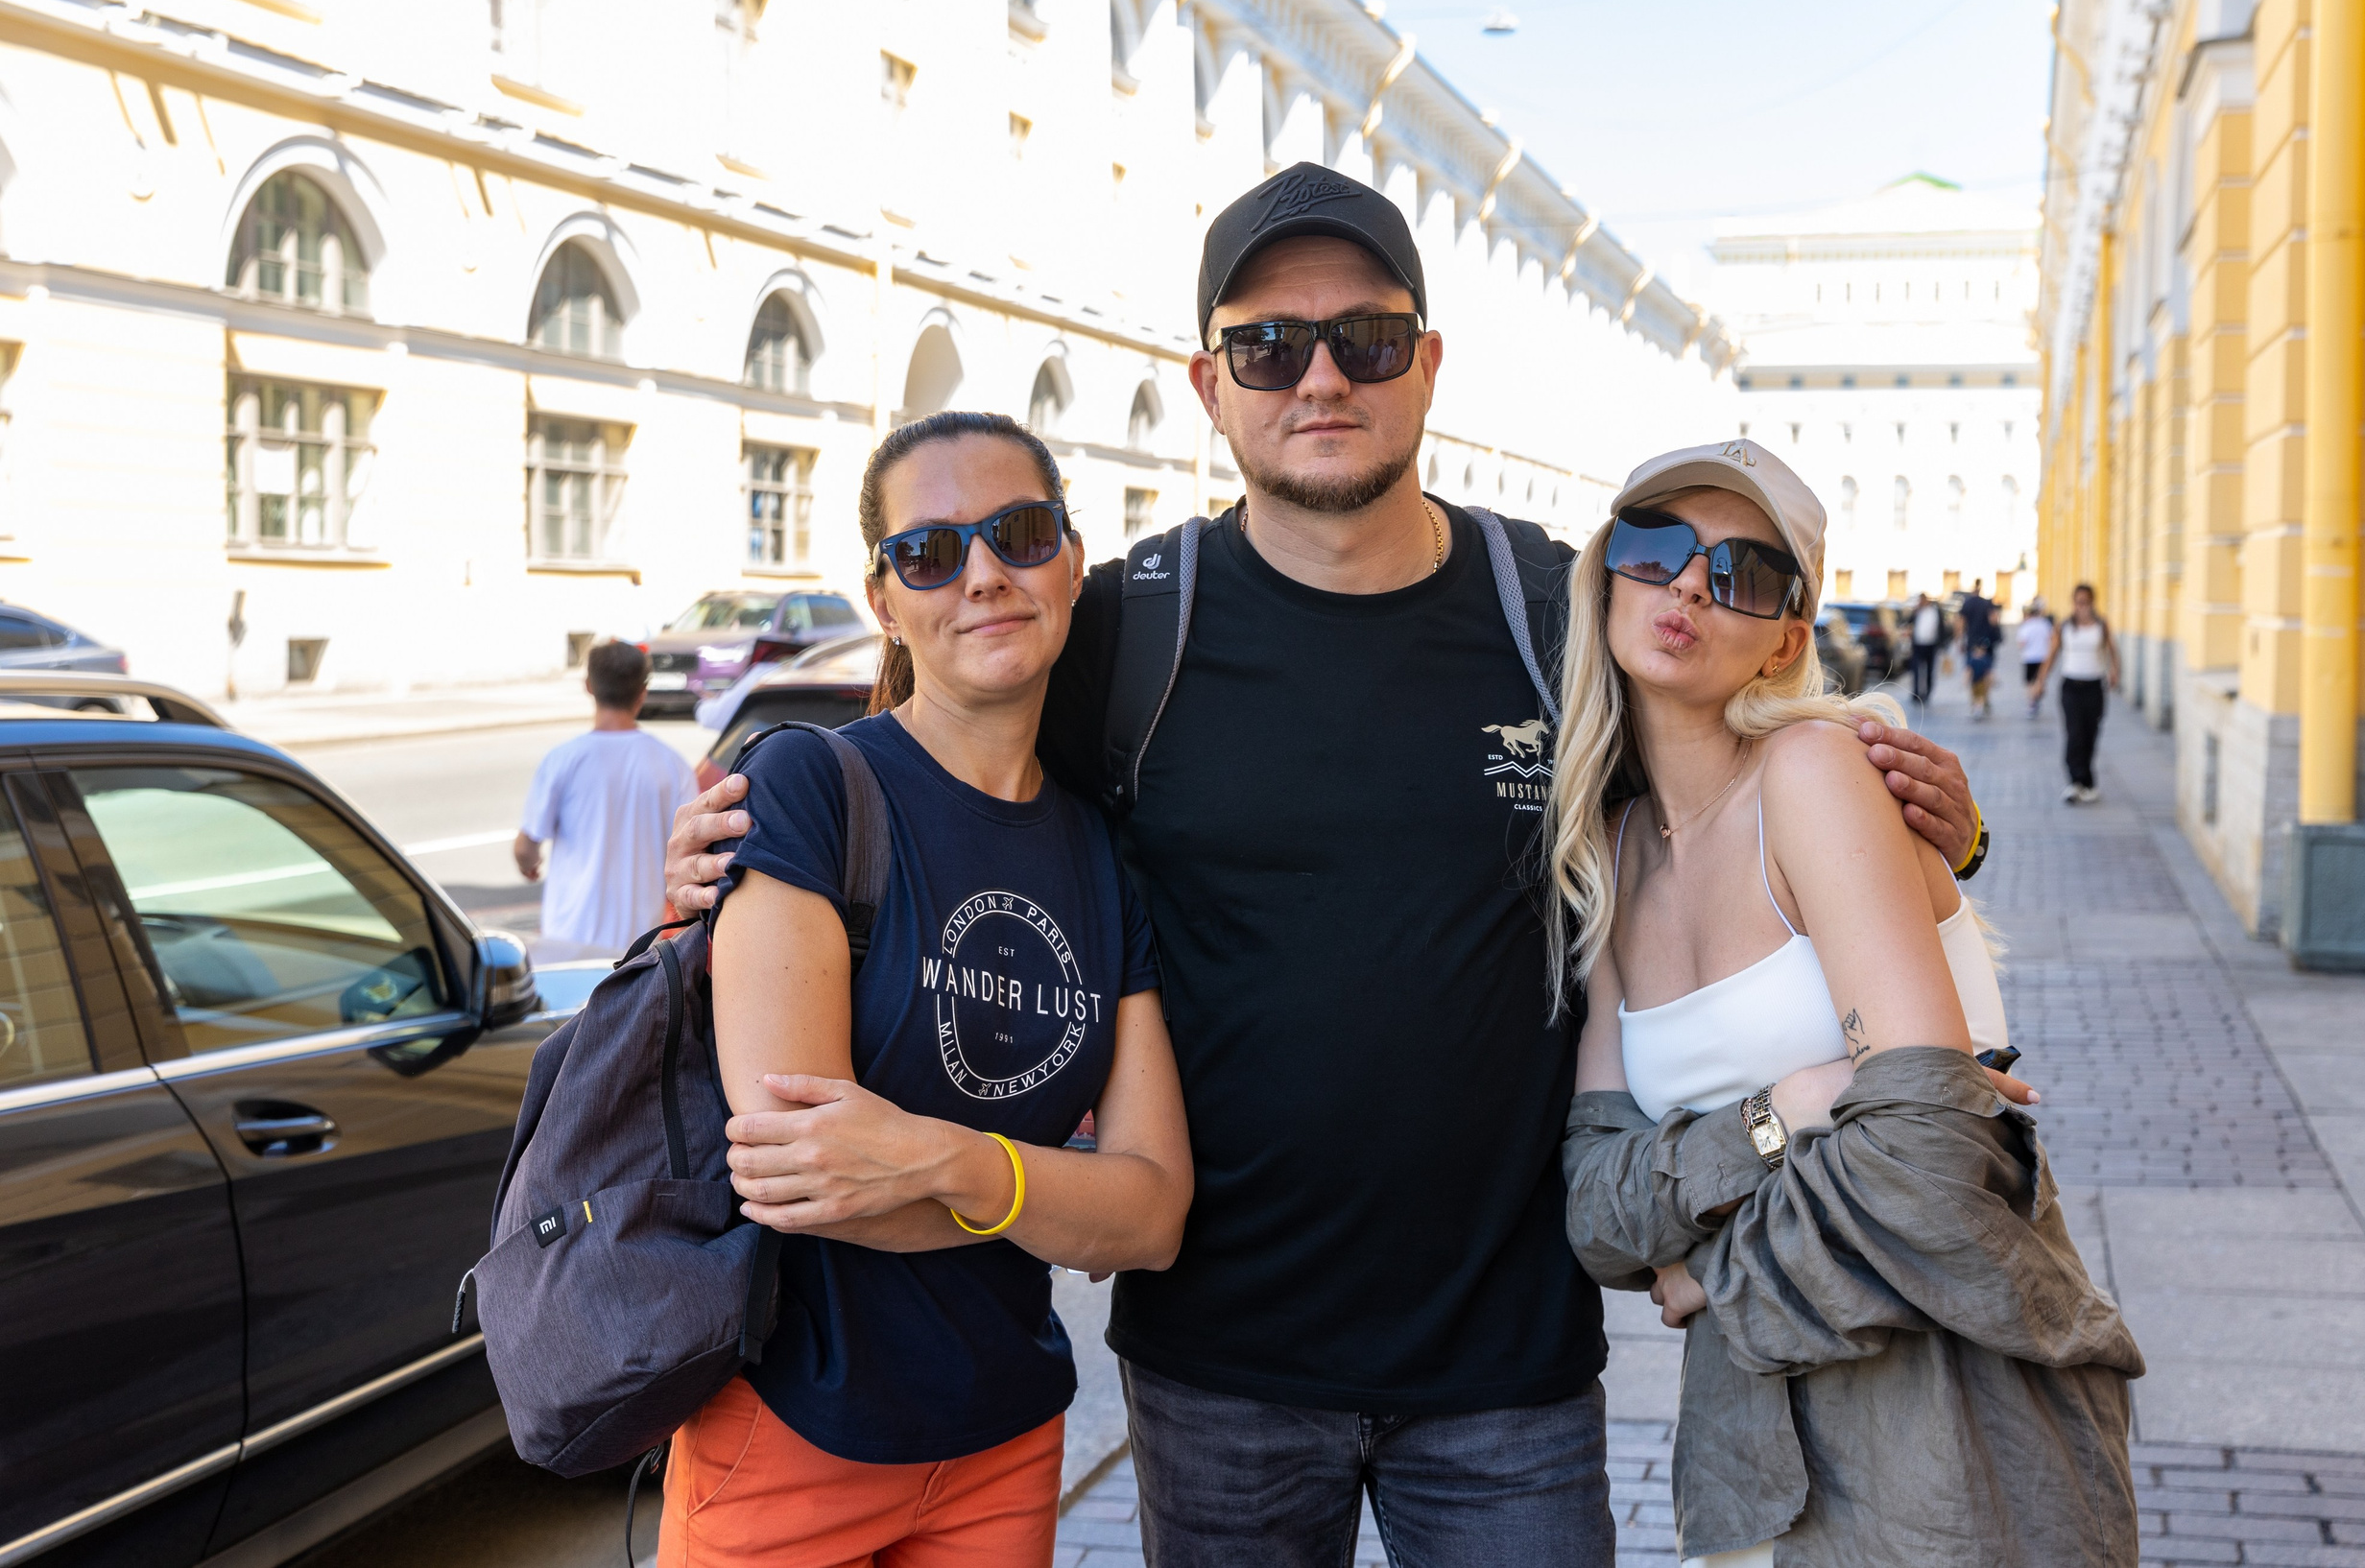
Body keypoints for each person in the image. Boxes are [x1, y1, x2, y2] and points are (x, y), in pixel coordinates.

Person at [663, 166, 1986, 1565]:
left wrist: (1945, 834)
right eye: (1268, 345)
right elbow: (936, 756)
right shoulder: (1126, 628)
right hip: (1219, 1368)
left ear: (1424, 366)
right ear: (1208, 381)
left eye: (1363, 339)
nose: (1318, 378)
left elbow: (1742, 781)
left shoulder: (1550, 605)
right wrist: (729, 852)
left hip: (1507, 1367)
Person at [1550, 443, 2141, 1566]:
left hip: (1947, 1445)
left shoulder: (1814, 774)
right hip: (1747, 1469)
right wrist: (1792, 1103)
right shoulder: (1614, 855)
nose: (1687, 586)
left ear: (1786, 634)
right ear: (1604, 572)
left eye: (1744, 573)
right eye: (1656, 547)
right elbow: (1596, 1207)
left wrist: (1706, 1271)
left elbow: (1925, 1161)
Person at [664, 411, 1194, 1564]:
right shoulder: (812, 788)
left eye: (1018, 531)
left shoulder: (1104, 854)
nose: (984, 575)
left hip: (1004, 1440)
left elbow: (1152, 1214)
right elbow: (806, 1177)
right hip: (793, 1432)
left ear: (1071, 562)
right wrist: (1048, 1196)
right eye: (931, 552)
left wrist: (934, 1158)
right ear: (884, 598)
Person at [512, 639, 697, 957]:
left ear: (588, 686)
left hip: (565, 938)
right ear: (643, 692)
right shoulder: (672, 765)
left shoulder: (563, 759)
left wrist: (529, 864)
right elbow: (688, 848)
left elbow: (526, 846)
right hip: (638, 945)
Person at [2030, 582, 2120, 804]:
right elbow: (2051, 655)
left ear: (2092, 603)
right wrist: (2040, 681)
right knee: (2074, 734)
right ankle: (2075, 783)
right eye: (2078, 602)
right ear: (2074, 603)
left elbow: (2112, 651)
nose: (2082, 606)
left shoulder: (2102, 625)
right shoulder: (2064, 627)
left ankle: (2088, 783)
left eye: (2086, 602)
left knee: (2090, 734)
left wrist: (2114, 671)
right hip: (2071, 687)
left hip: (2094, 687)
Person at [1958, 577, 2000, 719]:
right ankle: (1984, 698)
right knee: (1986, 671)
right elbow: (1994, 620)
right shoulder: (1987, 603)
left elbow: (1961, 622)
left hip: (1972, 643)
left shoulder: (1967, 603)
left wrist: (1959, 640)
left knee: (1973, 672)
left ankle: (1976, 700)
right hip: (1987, 643)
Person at [2018, 598, 2055, 718]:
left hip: (2029, 657)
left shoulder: (2026, 626)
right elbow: (2051, 639)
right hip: (2043, 656)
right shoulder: (2045, 624)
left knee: (2030, 682)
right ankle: (2036, 697)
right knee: (2040, 680)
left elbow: (2021, 643)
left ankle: (2032, 702)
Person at [1905, 590, 1942, 702]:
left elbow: (1941, 627)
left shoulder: (1935, 611)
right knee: (1916, 670)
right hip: (1918, 644)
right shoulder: (1917, 612)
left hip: (1931, 645)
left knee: (1929, 670)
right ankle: (1916, 693)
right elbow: (1908, 623)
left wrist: (1942, 644)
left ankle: (1927, 693)